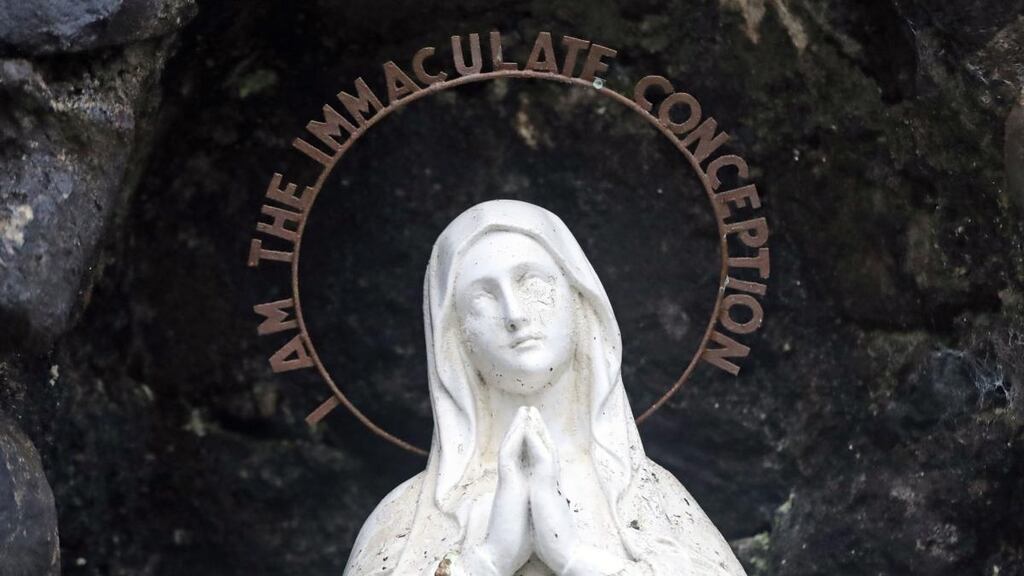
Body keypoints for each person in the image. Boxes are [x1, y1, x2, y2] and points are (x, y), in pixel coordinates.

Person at [342, 200, 746, 576]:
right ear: (455, 338)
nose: (514, 314)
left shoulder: (654, 501)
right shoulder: (404, 520)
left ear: (579, 302)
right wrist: (488, 560)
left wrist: (576, 559)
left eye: (532, 282)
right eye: (482, 297)